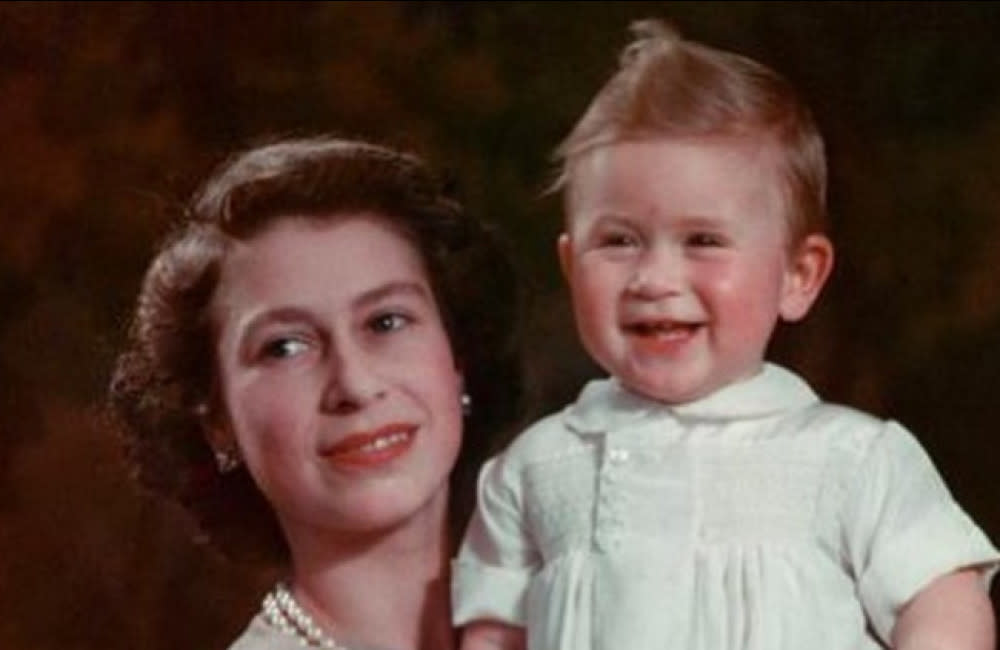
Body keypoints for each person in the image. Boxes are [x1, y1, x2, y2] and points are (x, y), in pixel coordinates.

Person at [452, 19, 999, 650]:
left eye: (703, 241)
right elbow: (493, 633)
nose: (655, 277)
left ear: (798, 275)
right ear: (572, 267)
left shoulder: (850, 460)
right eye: (619, 241)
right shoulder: (534, 470)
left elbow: (944, 601)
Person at [109, 134, 523, 650]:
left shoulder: (584, 611)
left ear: (456, 357)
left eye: (387, 321)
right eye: (284, 347)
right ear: (216, 420)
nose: (354, 383)